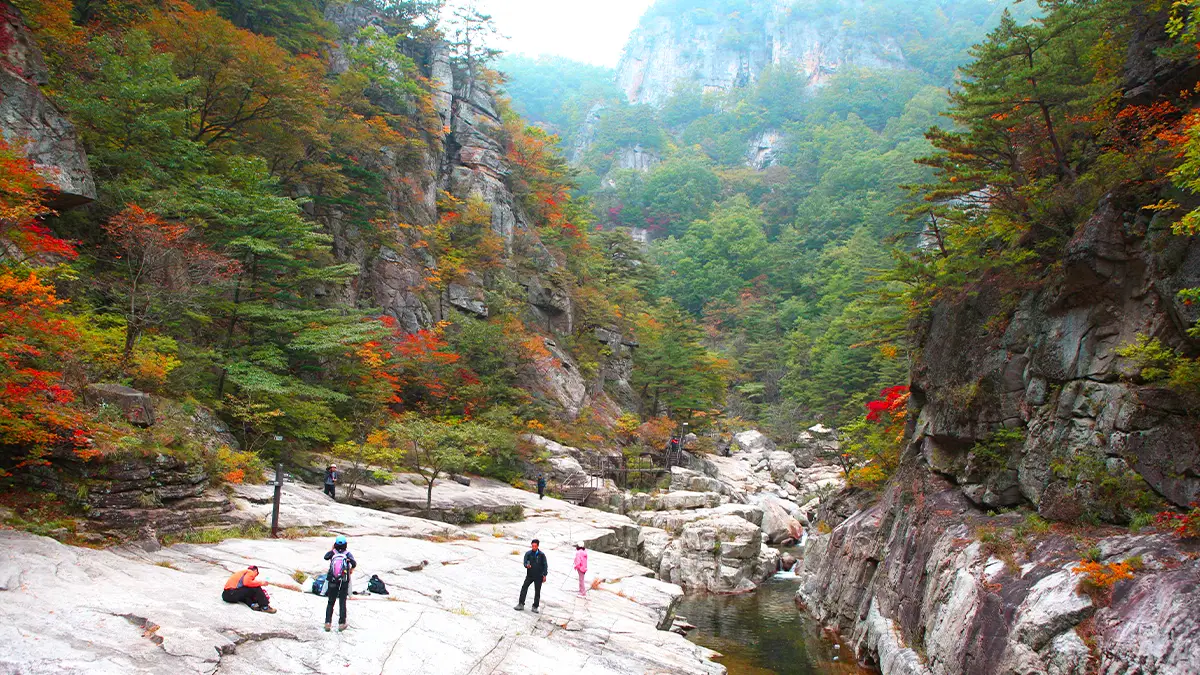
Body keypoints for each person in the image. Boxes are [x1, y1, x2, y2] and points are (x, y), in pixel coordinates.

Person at [323, 535, 357, 632]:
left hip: (332, 579)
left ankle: (328, 623)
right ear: (346, 545)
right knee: (342, 602)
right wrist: (349, 563)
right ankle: (342, 623)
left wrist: (332, 550)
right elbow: (354, 564)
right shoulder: (348, 554)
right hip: (343, 581)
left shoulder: (332, 553)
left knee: (330, 602)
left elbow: (325, 557)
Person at [513, 539, 548, 613]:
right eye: (532, 546)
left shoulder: (542, 555)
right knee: (524, 588)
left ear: (538, 546)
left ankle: (535, 606)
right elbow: (525, 562)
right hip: (530, 575)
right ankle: (521, 604)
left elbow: (545, 565)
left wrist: (544, 575)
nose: (534, 547)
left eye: (535, 546)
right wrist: (526, 565)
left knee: (537, 591)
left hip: (539, 576)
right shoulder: (528, 554)